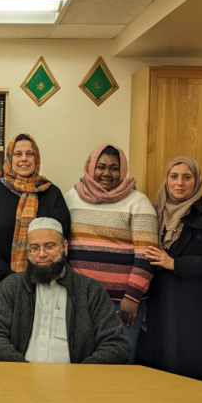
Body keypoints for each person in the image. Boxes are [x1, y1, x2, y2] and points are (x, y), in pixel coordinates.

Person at [139, 156, 202, 387]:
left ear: (197, 180)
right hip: (161, 304)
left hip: (200, 309)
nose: (179, 183)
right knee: (162, 377)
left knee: (197, 380)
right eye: (174, 176)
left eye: (187, 177)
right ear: (167, 180)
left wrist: (175, 264)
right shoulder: (153, 213)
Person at [0, 217, 129, 364]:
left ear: (64, 247)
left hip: (75, 381)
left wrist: (81, 376)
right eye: (35, 248)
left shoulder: (90, 290)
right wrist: (22, 370)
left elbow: (115, 344)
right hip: (20, 378)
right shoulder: (11, 287)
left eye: (50, 246)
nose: (42, 254)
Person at [65, 144, 158, 364]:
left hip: (121, 304)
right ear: (90, 168)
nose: (107, 173)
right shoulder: (72, 197)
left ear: (123, 170)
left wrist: (132, 297)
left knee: (119, 364)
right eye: (101, 166)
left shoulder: (138, 202)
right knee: (80, 361)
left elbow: (146, 255)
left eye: (114, 168)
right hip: (82, 300)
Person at [0, 134, 70, 326]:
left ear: (37, 158)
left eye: (29, 154)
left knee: (33, 343)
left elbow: (61, 237)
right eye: (18, 154)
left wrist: (37, 274)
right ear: (9, 159)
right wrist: (7, 275)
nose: (24, 158)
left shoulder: (52, 193)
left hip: (42, 284)